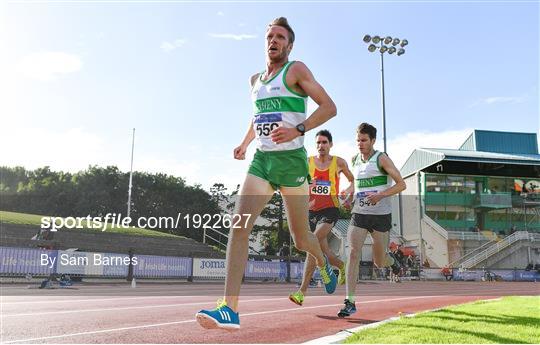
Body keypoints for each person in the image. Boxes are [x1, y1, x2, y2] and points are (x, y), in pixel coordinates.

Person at [196, 17, 338, 331]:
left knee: (303, 239)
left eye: (280, 37)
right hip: (262, 160)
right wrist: (246, 143)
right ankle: (229, 308)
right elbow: (258, 115)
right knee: (239, 225)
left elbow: (329, 107)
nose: (273, 40)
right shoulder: (255, 80)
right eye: (270, 36)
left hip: (291, 163)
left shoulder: (296, 70)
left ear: (289, 45)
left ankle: (326, 267)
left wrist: (298, 129)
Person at [337, 123, 406, 318]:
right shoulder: (355, 159)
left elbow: (401, 184)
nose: (360, 144)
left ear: (373, 141)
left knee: (379, 261)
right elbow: (357, 185)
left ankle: (391, 261)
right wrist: (348, 194)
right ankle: (350, 302)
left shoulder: (381, 158)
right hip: (359, 215)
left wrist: (381, 195)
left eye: (364, 140)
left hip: (380, 217)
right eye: (358, 140)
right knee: (352, 254)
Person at [289, 129, 354, 306]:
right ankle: (340, 266)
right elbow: (296, 180)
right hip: (311, 211)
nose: (321, 146)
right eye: (318, 143)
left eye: (324, 142)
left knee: (313, 243)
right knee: (324, 252)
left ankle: (302, 291)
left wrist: (348, 193)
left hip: (330, 210)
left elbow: (352, 181)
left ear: (330, 144)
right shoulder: (308, 162)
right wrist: (307, 184)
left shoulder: (339, 162)